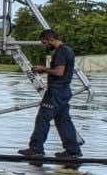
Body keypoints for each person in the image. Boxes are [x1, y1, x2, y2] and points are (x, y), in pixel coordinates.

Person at [20, 29, 84, 163]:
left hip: (55, 91)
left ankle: (36, 149)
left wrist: (43, 69)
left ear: (50, 39)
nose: (44, 45)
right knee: (63, 121)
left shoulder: (60, 52)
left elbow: (59, 72)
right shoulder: (68, 50)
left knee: (42, 119)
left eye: (44, 42)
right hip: (64, 91)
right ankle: (73, 151)